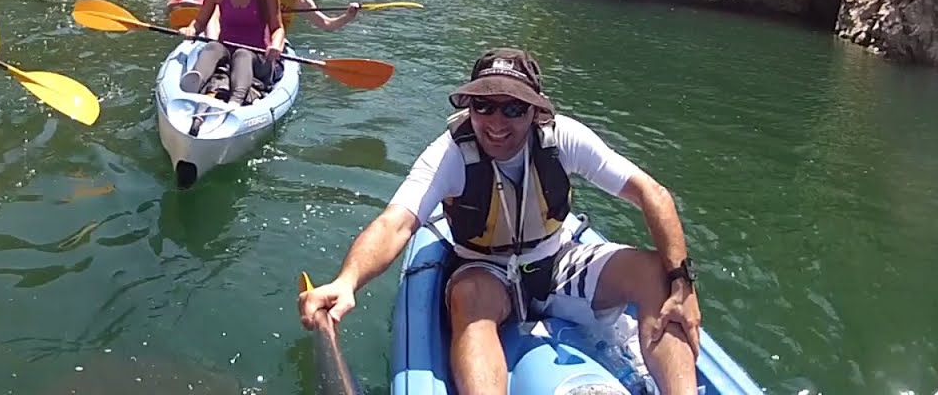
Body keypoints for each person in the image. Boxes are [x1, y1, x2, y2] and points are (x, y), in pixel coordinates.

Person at [298, 48, 702, 395]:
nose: (496, 121)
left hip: (557, 259)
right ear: (469, 108)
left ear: (536, 110)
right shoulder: (450, 154)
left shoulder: (563, 138)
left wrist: (683, 285)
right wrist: (347, 282)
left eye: (513, 108)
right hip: (486, 269)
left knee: (656, 272)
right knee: (469, 299)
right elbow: (396, 223)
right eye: (483, 106)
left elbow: (652, 194)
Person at [177, 0, 286, 106]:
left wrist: (276, 45)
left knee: (243, 54)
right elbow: (200, 22)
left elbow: (277, 28)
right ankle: (194, 85)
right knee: (213, 46)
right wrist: (191, 29)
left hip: (257, 56)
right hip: (226, 50)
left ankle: (236, 101)